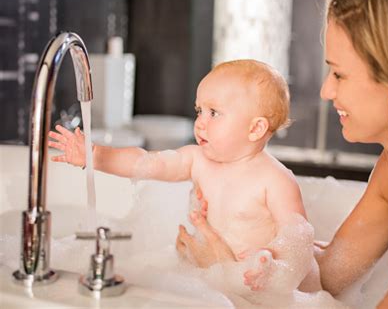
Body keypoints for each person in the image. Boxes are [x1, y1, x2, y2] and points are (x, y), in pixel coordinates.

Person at [176, 0, 388, 307]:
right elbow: (329, 276)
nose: (325, 91)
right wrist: (240, 258)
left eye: (339, 74)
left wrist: (221, 266)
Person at [48, 59, 321, 292]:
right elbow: (147, 162)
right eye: (199, 110)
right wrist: (96, 155)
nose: (200, 122)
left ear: (255, 129)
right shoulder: (197, 159)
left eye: (214, 113)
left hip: (255, 288)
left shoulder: (275, 180)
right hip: (210, 282)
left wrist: (271, 262)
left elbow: (298, 241)